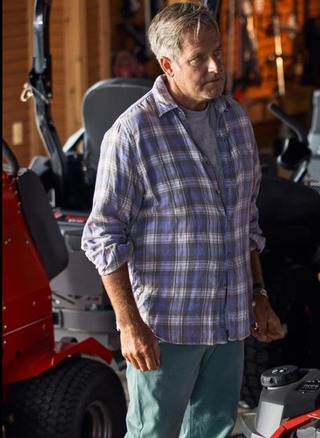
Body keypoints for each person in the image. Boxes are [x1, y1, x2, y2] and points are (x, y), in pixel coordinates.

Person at [81, 3, 284, 437]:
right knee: (153, 432)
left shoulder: (236, 121)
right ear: (168, 64)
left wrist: (259, 294)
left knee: (215, 430)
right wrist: (129, 324)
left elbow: (246, 223)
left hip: (229, 323)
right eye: (199, 59)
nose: (215, 67)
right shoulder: (132, 134)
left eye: (218, 53)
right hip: (166, 329)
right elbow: (102, 237)